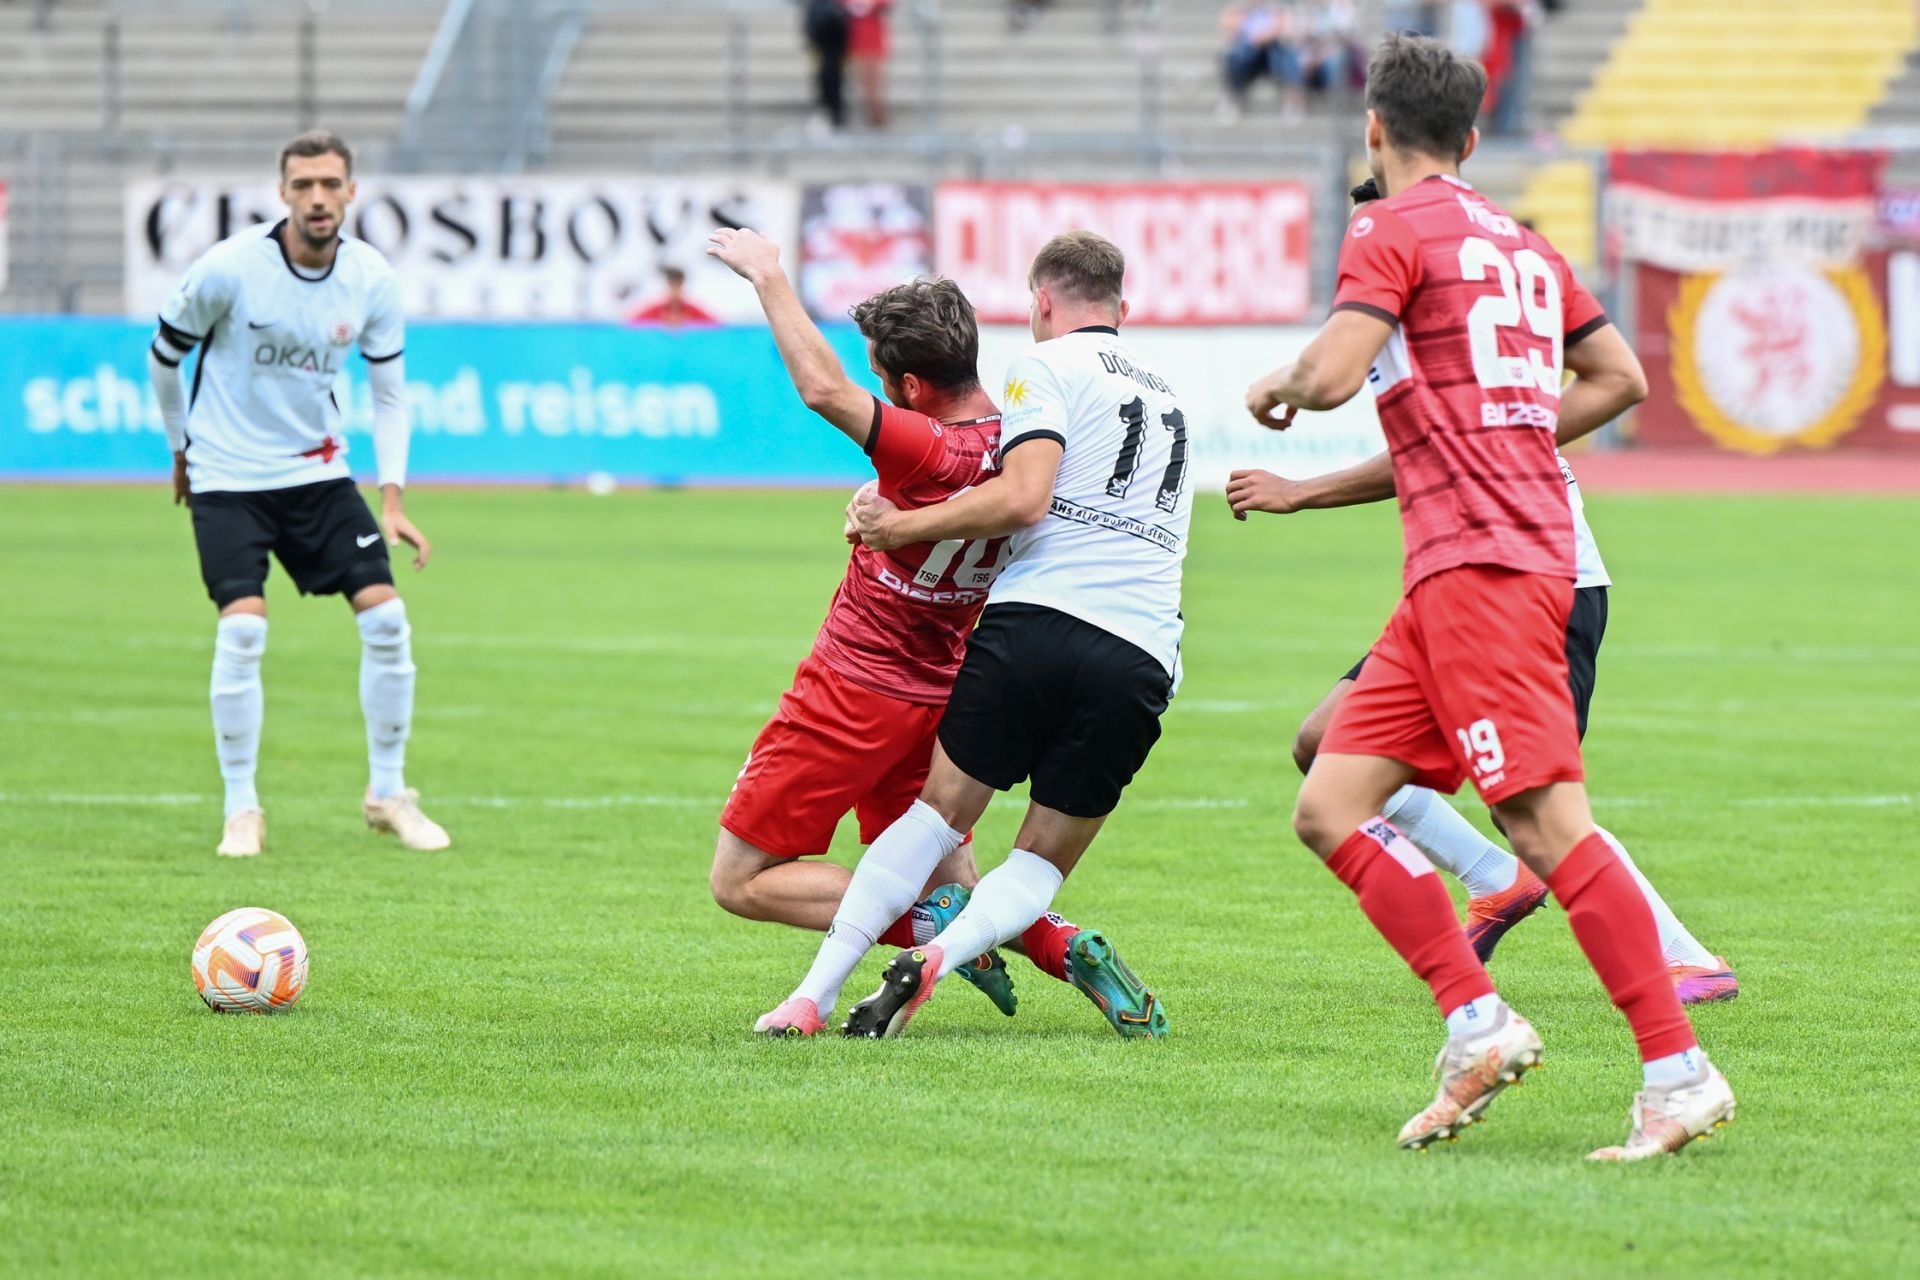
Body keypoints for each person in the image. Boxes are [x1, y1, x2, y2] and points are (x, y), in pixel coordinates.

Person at [1240, 35, 1735, 1161]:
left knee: (1544, 824)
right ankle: (1478, 1024)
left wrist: (1280, 384)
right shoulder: (1524, 243)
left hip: (1490, 565)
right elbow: (1620, 378)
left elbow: (1329, 374)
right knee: (1328, 800)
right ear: (1472, 137)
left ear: (1374, 128)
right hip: (1456, 568)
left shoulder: (1387, 226)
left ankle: (1680, 1072)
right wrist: (1505, 427)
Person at [703, 226, 1158, 1040]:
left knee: (739, 880)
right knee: (947, 871)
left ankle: (926, 932)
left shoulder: (920, 447)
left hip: (852, 687)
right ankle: (1060, 943)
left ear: (909, 385)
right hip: (949, 691)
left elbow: (823, 390)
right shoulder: (1027, 443)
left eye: (884, 377)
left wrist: (769, 276)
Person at [1228, 335, 1738, 1000]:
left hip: (1540, 587)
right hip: (1459, 586)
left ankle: (1685, 960)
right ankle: (1496, 880)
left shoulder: (1452, 334)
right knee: (1325, 742)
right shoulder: (1447, 330)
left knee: (1530, 805)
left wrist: (1298, 480)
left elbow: (1407, 433)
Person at [146, 130, 449, 858]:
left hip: (316, 474)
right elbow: (163, 356)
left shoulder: (370, 279)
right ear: (282, 192)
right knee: (243, 631)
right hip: (228, 476)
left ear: (352, 192)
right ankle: (241, 808)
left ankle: (388, 795)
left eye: (330, 184)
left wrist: (393, 500)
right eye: (304, 185)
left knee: (388, 620)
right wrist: (181, 448)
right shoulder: (228, 269)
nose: (318, 198)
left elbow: (390, 396)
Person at [802, 0, 850, 134]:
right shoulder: (818, 7)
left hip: (833, 45)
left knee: (832, 79)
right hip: (824, 44)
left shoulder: (835, 7)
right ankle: (828, 113)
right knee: (825, 79)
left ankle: (833, 114)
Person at [844, 0, 891, 129]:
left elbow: (886, 4)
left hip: (873, 34)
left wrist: (870, 5)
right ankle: (870, 111)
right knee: (863, 80)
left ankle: (876, 112)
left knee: (874, 79)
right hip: (856, 35)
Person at [626, 266, 719, 328]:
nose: (674, 289)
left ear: (682, 285)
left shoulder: (692, 309)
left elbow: (716, 326)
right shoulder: (655, 309)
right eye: (672, 285)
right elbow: (629, 324)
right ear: (666, 285)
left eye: (678, 285)